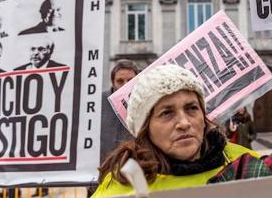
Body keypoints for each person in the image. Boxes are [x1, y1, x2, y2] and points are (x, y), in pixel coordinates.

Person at [93, 65, 258, 196]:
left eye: (192, 108)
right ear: (145, 127)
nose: (184, 123)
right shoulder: (119, 188)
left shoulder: (249, 166)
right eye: (167, 113)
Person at [100, 60, 139, 163]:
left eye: (130, 81)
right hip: (104, 164)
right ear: (113, 82)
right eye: (120, 81)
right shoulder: (98, 101)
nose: (125, 85)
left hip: (134, 164)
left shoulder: (145, 101)